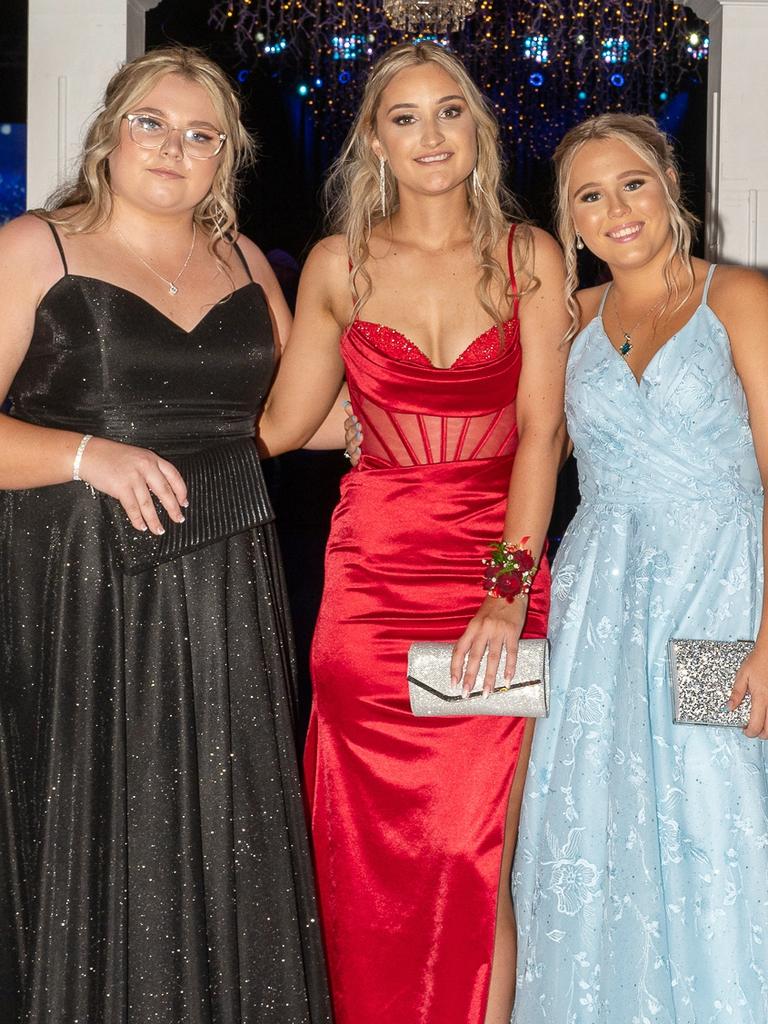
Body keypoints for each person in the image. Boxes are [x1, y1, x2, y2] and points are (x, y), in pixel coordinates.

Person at [0, 47, 332, 1024]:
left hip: (223, 585)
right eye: (153, 122)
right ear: (110, 132)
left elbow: (300, 418)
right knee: (110, 826)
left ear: (226, 158)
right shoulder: (36, 246)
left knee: (214, 833)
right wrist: (84, 455)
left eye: (201, 135)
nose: (173, 148)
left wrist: (460, 394)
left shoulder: (242, 261)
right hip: (81, 584)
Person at [258, 41, 569, 1024]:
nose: (430, 135)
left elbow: (541, 432)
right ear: (375, 141)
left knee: (476, 847)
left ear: (477, 130)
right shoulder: (338, 265)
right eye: (404, 117)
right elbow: (279, 425)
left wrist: (505, 591)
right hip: (368, 589)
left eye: (449, 113)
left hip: (495, 575)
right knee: (364, 846)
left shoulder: (530, 255)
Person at [511, 113, 768, 1022]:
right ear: (570, 220)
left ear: (669, 187)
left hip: (719, 596)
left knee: (715, 810)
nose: (616, 208)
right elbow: (512, 441)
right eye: (590, 195)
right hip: (599, 612)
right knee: (595, 817)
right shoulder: (571, 318)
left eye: (632, 184)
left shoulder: (737, 299)